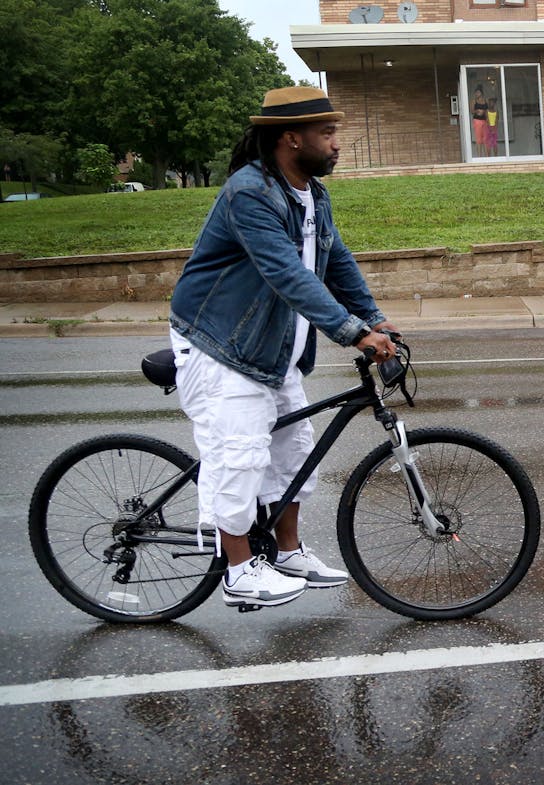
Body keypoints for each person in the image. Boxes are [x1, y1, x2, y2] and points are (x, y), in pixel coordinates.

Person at [168, 86, 399, 611]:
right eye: (328, 133)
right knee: (241, 454)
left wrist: (374, 318)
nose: (338, 143)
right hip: (221, 345)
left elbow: (335, 259)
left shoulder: (312, 194)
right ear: (291, 138)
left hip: (272, 349)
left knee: (295, 451)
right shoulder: (249, 192)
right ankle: (238, 567)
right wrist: (351, 332)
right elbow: (285, 273)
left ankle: (287, 551)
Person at [471, 86, 494, 157]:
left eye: (478, 92)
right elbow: (471, 111)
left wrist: (488, 120)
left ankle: (487, 156)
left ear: (481, 93)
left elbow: (488, 111)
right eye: (476, 93)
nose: (476, 94)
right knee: (478, 139)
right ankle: (479, 157)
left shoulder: (485, 101)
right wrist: (477, 111)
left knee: (485, 139)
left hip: (484, 121)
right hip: (477, 120)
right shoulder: (473, 101)